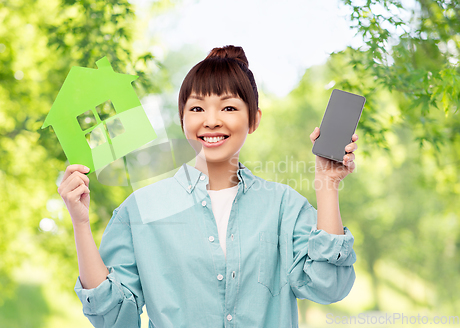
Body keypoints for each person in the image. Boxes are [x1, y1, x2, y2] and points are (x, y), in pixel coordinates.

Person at [59, 45, 358, 328]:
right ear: (183, 118)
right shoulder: (140, 210)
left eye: (228, 108)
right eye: (198, 108)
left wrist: (327, 183)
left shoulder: (283, 206)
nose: (212, 121)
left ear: (253, 119)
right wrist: (80, 223)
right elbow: (113, 318)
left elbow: (328, 286)